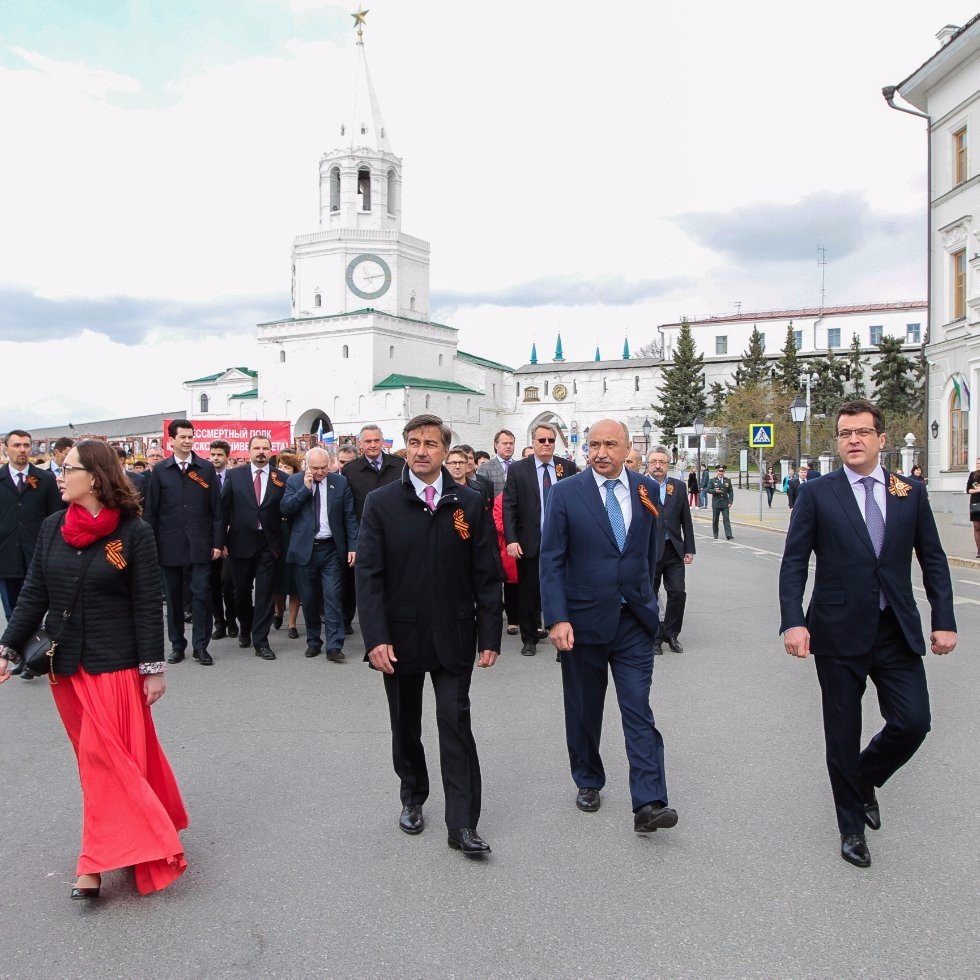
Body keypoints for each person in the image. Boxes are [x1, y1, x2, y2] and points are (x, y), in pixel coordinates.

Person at [0, 439, 188, 899]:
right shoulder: (51, 527)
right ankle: (134, 833)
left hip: (115, 667)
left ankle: (95, 862)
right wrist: (6, 648)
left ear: (95, 477)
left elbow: (148, 603)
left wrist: (153, 667)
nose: (58, 476)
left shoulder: (133, 533)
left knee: (107, 762)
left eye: (67, 469)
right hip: (66, 668)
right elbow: (33, 594)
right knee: (96, 764)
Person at [779, 399, 956, 869]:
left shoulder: (909, 492)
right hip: (836, 632)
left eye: (861, 432)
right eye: (844, 433)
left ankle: (863, 779)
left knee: (913, 721)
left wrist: (944, 619)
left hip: (895, 628)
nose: (852, 440)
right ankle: (851, 828)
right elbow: (795, 561)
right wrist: (793, 620)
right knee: (842, 731)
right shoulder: (818, 493)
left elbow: (933, 558)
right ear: (837, 441)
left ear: (881, 438)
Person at [355, 414, 502, 857]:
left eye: (431, 444)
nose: (422, 450)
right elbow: (369, 575)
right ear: (405, 447)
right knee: (406, 724)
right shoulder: (382, 502)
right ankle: (412, 796)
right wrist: (375, 637)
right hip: (398, 640)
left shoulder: (468, 503)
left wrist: (490, 636)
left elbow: (487, 574)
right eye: (414, 442)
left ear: (446, 451)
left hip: (454, 635)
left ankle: (462, 823)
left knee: (455, 723)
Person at [539, 419, 676, 834]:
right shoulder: (564, 494)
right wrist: (557, 617)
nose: (600, 452)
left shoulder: (647, 489)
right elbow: (551, 559)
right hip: (581, 623)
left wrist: (645, 598)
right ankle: (588, 778)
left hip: (633, 621)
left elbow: (651, 550)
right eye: (594, 444)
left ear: (626, 447)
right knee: (584, 708)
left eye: (610, 444)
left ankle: (649, 801)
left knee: (638, 709)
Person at [144, 420, 223, 666]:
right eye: (183, 437)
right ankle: (178, 645)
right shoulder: (160, 471)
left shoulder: (205, 469)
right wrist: (152, 545)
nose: (188, 441)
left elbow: (216, 511)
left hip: (201, 544)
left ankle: (201, 646)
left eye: (191, 437)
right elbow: (152, 512)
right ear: (171, 440)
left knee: (201, 595)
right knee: (174, 598)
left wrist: (217, 543)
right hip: (169, 545)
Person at [503, 423, 578, 658]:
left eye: (550, 440)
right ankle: (529, 638)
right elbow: (509, 506)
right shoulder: (519, 470)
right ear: (533, 442)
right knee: (529, 592)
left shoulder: (567, 468)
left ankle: (563, 637)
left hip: (563, 542)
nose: (546, 444)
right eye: (541, 440)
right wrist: (512, 539)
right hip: (530, 541)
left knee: (563, 590)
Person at [281, 448, 357, 662]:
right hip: (305, 549)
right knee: (309, 598)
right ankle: (314, 641)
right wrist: (305, 490)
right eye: (315, 468)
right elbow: (285, 509)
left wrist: (353, 546)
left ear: (330, 464)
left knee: (333, 598)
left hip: (331, 549)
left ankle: (334, 645)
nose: (320, 472)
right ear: (306, 465)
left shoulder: (340, 483)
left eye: (324, 467)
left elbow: (349, 516)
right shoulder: (295, 482)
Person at [221, 436, 288, 660]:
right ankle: (246, 627)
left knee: (265, 594)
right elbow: (223, 510)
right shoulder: (235, 475)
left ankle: (261, 641)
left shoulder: (282, 478)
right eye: (256, 448)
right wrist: (220, 541)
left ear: (271, 451)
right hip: (240, 542)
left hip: (268, 544)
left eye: (265, 448)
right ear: (248, 451)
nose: (261, 452)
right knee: (240, 592)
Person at [0, 429, 63, 636]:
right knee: (12, 610)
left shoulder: (44, 479)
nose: (22, 450)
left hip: (36, 554)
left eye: (26, 445)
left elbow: (56, 517)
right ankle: (18, 653)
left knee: (36, 607)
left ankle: (33, 655)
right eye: (17, 445)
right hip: (6, 556)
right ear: (6, 448)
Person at [341, 425, 402, 635]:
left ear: (383, 441)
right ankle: (347, 619)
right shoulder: (350, 470)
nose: (373, 445)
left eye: (377, 440)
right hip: (363, 534)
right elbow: (347, 507)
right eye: (368, 441)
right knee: (358, 582)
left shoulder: (399, 465)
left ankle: (393, 619)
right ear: (360, 444)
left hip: (394, 533)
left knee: (393, 579)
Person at [647, 447, 695, 656]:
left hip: (674, 549)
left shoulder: (678, 486)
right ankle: (655, 637)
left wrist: (689, 548)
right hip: (649, 550)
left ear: (669, 464)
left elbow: (686, 519)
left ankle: (672, 633)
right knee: (650, 594)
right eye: (654, 462)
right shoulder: (639, 486)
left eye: (662, 462)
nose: (658, 466)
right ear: (647, 464)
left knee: (677, 592)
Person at [208, 440, 239, 640]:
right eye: (213, 454)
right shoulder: (204, 477)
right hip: (209, 539)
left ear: (227, 456)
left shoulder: (235, 477)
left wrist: (227, 538)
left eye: (219, 454)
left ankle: (232, 620)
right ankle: (219, 622)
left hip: (230, 539)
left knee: (228, 582)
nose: (216, 458)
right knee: (212, 584)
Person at [272, 451, 304, 639]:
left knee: (294, 582)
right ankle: (278, 610)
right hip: (277, 534)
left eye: (287, 467)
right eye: (280, 466)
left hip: (295, 533)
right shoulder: (273, 484)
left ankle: (292, 623)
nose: (283, 470)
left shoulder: (299, 485)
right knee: (278, 579)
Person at [476, 429, 516, 497]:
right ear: (496, 445)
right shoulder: (485, 467)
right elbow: (482, 493)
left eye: (511, 443)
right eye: (505, 443)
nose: (508, 446)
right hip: (495, 506)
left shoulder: (520, 466)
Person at [707, 464, 734, 540]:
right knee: (715, 519)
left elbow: (730, 492)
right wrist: (715, 491)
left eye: (722, 471)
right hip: (716, 503)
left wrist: (730, 501)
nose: (721, 473)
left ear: (724, 472)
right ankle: (715, 533)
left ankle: (729, 535)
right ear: (717, 471)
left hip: (725, 503)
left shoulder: (727, 480)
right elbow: (708, 489)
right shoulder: (712, 480)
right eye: (720, 471)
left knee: (726, 519)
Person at [968, 457, 980, 559]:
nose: (978, 465)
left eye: (979, 463)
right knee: (977, 527)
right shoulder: (973, 475)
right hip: (975, 503)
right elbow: (968, 490)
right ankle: (979, 550)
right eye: (977, 463)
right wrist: (977, 490)